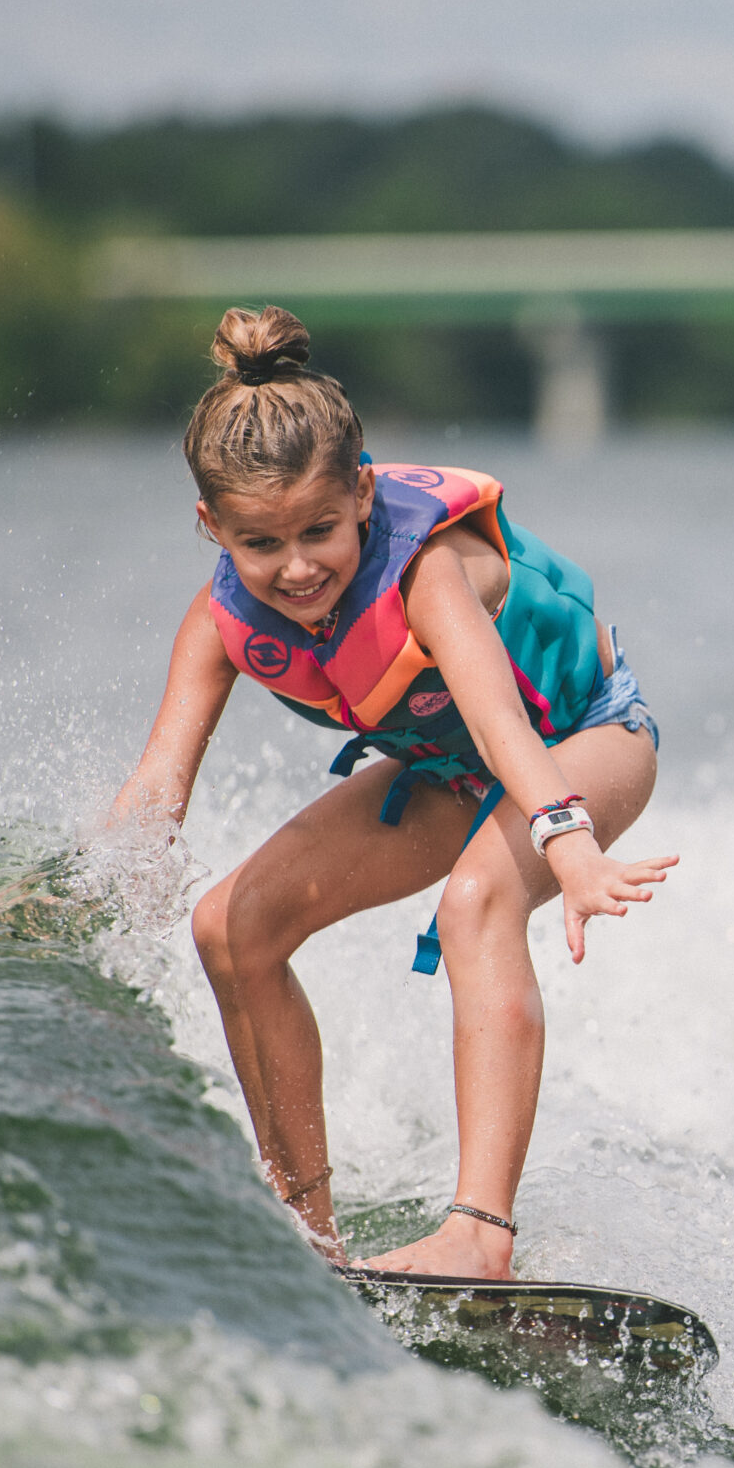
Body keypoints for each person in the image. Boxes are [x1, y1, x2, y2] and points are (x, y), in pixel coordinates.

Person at [109, 306, 673, 1281]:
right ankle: (307, 1238)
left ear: (363, 495)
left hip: (583, 739)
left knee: (476, 906)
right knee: (227, 930)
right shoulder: (219, 620)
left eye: (320, 530)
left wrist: (570, 847)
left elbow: (503, 724)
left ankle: (479, 1237)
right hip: (447, 778)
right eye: (259, 543)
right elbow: (154, 787)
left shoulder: (425, 574)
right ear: (212, 527)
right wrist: (96, 886)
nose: (296, 568)